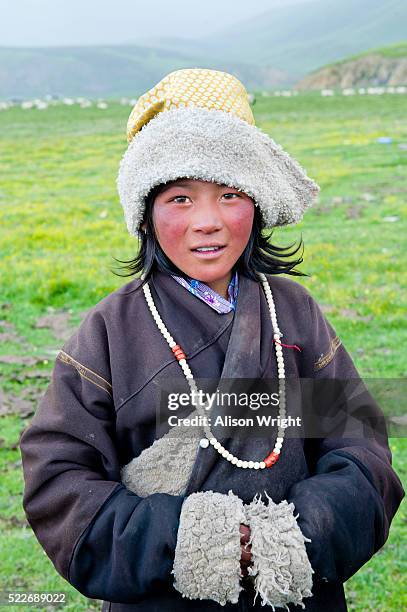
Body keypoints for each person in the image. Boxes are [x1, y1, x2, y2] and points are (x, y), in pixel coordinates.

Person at [20, 68, 404, 612]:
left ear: (258, 201)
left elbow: (359, 449)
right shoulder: (109, 334)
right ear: (146, 214)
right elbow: (60, 483)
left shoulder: (292, 314)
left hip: (296, 595)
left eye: (229, 194)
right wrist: (197, 540)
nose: (208, 222)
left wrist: (296, 532)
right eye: (180, 198)